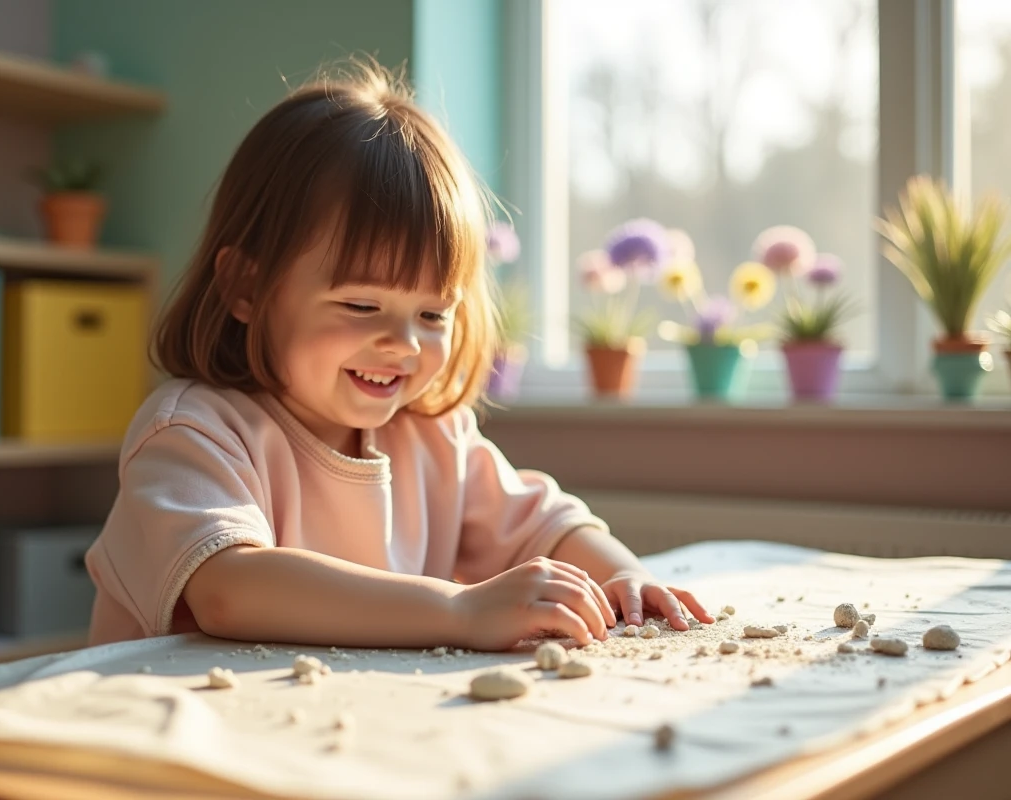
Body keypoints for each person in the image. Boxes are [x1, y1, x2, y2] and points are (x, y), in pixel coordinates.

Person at [85, 61, 714, 649]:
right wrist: (459, 611)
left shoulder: (432, 437)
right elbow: (229, 587)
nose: (404, 344)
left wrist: (626, 577)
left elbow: (545, 525)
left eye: (433, 314)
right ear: (247, 288)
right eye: (361, 306)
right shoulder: (192, 432)